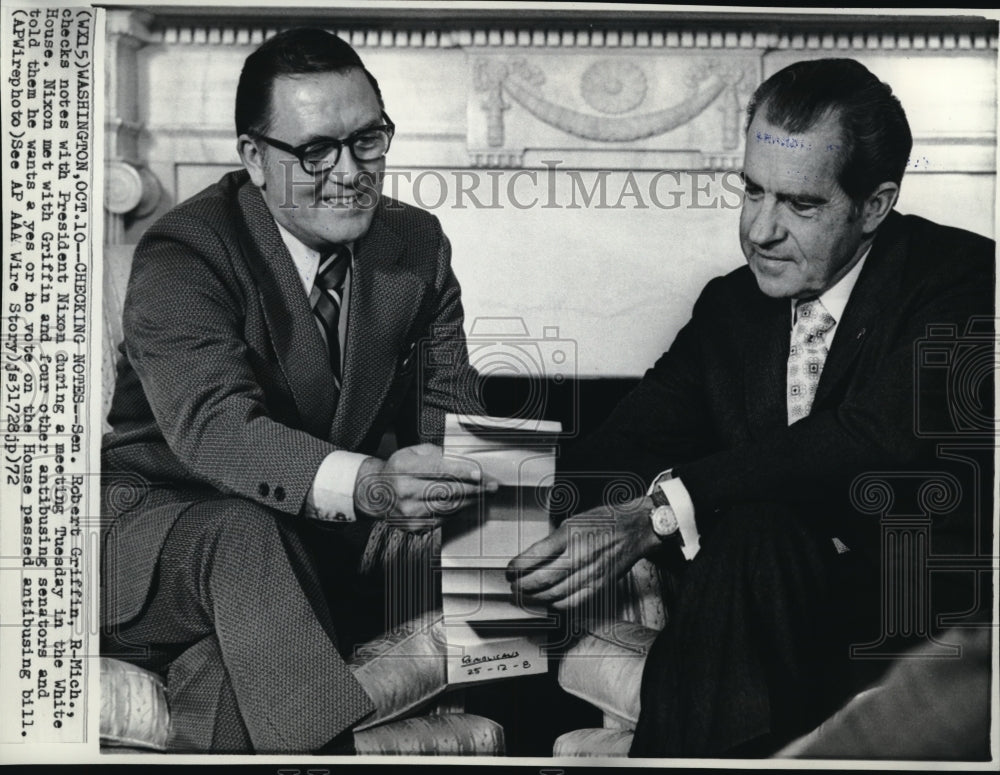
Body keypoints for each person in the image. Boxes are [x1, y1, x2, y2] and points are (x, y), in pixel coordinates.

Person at [508, 58, 994, 757]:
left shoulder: (966, 280)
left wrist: (656, 515)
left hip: (908, 633)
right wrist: (476, 489)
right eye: (752, 190)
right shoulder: (732, 308)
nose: (760, 230)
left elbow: (866, 439)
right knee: (750, 541)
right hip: (751, 631)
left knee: (754, 530)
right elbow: (620, 444)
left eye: (800, 204)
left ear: (875, 205)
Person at [101, 28, 493, 753]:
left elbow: (456, 420)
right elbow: (218, 429)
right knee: (242, 531)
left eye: (368, 141)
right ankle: (332, 753)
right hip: (155, 547)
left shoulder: (415, 245)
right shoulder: (185, 250)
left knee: (226, 669)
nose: (349, 172)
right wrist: (376, 486)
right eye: (314, 151)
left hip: (290, 569)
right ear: (254, 157)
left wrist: (481, 508)